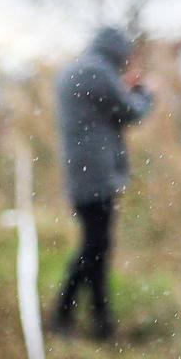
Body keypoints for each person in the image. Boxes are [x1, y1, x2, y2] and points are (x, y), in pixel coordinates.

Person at [52, 26, 154, 341]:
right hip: (97, 176)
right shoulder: (98, 72)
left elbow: (102, 105)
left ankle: (99, 322)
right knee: (94, 247)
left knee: (96, 247)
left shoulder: (79, 71)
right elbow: (129, 111)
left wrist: (123, 89)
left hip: (81, 174)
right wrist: (145, 93)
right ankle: (66, 316)